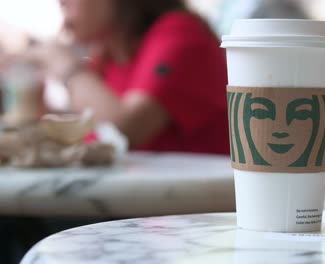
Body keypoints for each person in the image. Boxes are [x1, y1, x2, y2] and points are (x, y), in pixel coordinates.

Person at [11, 0, 230, 154]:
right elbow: (87, 132)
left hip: (192, 210)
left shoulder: (179, 32)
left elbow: (122, 131)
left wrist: (66, 64)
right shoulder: (108, 57)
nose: (61, 2)